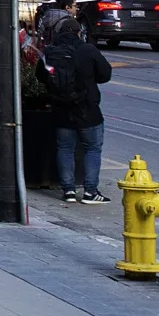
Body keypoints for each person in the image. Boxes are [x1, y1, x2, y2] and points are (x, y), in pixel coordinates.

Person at [40, 15, 113, 203]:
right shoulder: (88, 50)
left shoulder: (50, 52)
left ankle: (68, 190)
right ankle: (90, 191)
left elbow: (41, 75)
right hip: (87, 108)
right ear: (78, 33)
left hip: (60, 108)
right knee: (92, 148)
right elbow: (105, 73)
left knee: (65, 148)